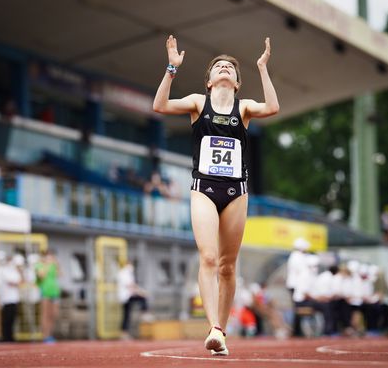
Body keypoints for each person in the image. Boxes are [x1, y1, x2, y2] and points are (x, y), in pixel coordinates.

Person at [152, 34, 279, 356]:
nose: (224, 69)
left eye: (230, 68)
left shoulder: (245, 108)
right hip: (204, 189)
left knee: (227, 266)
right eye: (218, 67)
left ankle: (220, 330)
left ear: (237, 83)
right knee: (208, 257)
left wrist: (262, 68)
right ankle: (213, 328)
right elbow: (160, 105)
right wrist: (171, 68)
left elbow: (274, 107)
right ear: (209, 81)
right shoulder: (198, 102)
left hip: (236, 191)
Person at [117, 260, 150, 340]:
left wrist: (139, 291)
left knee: (126, 315)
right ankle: (144, 313)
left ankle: (124, 333)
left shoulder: (127, 273)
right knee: (142, 298)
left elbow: (132, 286)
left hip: (127, 296)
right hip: (126, 297)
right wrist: (141, 292)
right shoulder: (124, 273)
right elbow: (130, 286)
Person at [0, 251, 23, 342]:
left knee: (12, 319)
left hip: (13, 298)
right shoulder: (3, 270)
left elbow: (19, 281)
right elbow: (12, 282)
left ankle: (10, 336)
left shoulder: (12, 271)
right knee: (6, 319)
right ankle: (5, 337)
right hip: (6, 299)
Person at [35, 249, 62, 343]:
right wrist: (46, 264)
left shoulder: (53, 265)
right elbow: (41, 276)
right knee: (45, 315)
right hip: (45, 292)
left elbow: (60, 274)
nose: (50, 258)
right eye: (48, 256)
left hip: (54, 292)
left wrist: (57, 264)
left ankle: (50, 334)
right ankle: (45, 336)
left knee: (54, 314)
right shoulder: (39, 265)